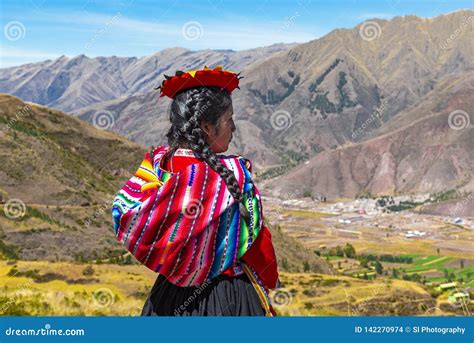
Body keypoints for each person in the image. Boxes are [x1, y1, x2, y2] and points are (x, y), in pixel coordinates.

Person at [111, 66, 279, 316]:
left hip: (167, 300)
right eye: (229, 119)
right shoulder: (232, 174)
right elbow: (257, 246)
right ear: (207, 127)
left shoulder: (156, 167)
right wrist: (269, 278)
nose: (233, 127)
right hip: (229, 298)